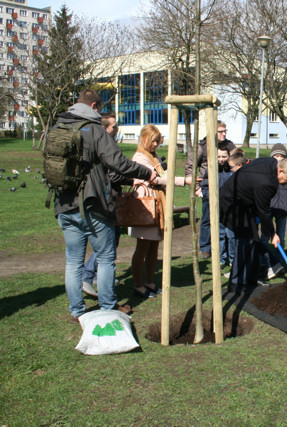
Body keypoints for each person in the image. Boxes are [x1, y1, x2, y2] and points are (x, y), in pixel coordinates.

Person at [54, 90, 156, 321]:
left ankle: (77, 310)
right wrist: (146, 173)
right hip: (92, 206)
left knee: (73, 261)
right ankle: (109, 306)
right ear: (93, 105)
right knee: (106, 257)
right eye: (98, 109)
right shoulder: (95, 130)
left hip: (64, 205)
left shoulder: (58, 127)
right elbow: (118, 163)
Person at [129, 125, 194, 298]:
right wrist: (183, 180)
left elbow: (162, 175)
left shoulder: (154, 156)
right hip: (146, 207)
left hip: (158, 205)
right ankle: (138, 284)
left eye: (158, 140)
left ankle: (149, 281)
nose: (155, 144)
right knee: (142, 247)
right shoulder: (139, 158)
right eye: (153, 140)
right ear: (143, 139)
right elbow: (157, 178)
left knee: (154, 247)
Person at [220, 156, 287, 291]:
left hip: (244, 202)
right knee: (246, 240)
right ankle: (236, 283)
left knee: (253, 239)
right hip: (231, 203)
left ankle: (251, 278)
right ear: (280, 171)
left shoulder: (272, 162)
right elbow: (264, 212)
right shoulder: (267, 183)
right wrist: (273, 234)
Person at [81, 112, 122, 298]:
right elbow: (113, 174)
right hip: (105, 201)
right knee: (106, 244)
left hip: (111, 201)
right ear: (105, 128)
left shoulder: (110, 144)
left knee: (112, 241)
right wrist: (136, 175)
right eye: (114, 126)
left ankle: (97, 275)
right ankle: (88, 275)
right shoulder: (103, 146)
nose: (117, 129)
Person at [185, 121, 235, 259]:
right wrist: (196, 188)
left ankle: (225, 249)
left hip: (227, 189)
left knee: (226, 219)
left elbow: (238, 162)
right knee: (207, 219)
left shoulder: (230, 145)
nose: (224, 134)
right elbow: (190, 167)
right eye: (220, 131)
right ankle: (206, 247)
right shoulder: (203, 147)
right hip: (208, 188)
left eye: (225, 131)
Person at [262, 143, 287, 279]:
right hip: (269, 209)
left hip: (282, 209)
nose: (278, 158)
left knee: (280, 237)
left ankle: (279, 264)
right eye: (276, 156)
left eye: (281, 156)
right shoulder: (270, 174)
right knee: (265, 237)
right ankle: (266, 263)